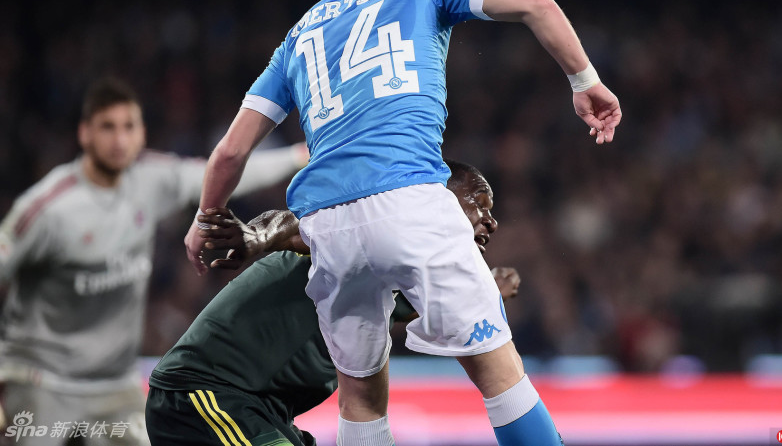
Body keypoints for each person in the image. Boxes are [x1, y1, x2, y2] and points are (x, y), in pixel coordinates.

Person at [184, 0, 621, 446]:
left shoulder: (298, 35)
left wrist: (205, 217)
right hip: (409, 198)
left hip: (326, 225)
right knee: (500, 376)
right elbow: (537, 4)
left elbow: (230, 152)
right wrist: (584, 81)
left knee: (361, 398)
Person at [0, 78, 308, 446]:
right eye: (107, 127)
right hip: (43, 381)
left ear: (141, 133)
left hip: (114, 386)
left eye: (128, 127)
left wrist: (299, 155)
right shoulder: (48, 208)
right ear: (85, 134)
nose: (119, 140)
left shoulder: (150, 179)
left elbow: (227, 168)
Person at [147, 160, 518, 446]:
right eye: (479, 204)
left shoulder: (399, 280)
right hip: (203, 396)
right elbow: (292, 224)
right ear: (436, 201)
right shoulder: (364, 231)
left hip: (263, 411)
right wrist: (257, 234)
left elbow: (419, 307)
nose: (492, 222)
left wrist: (486, 287)